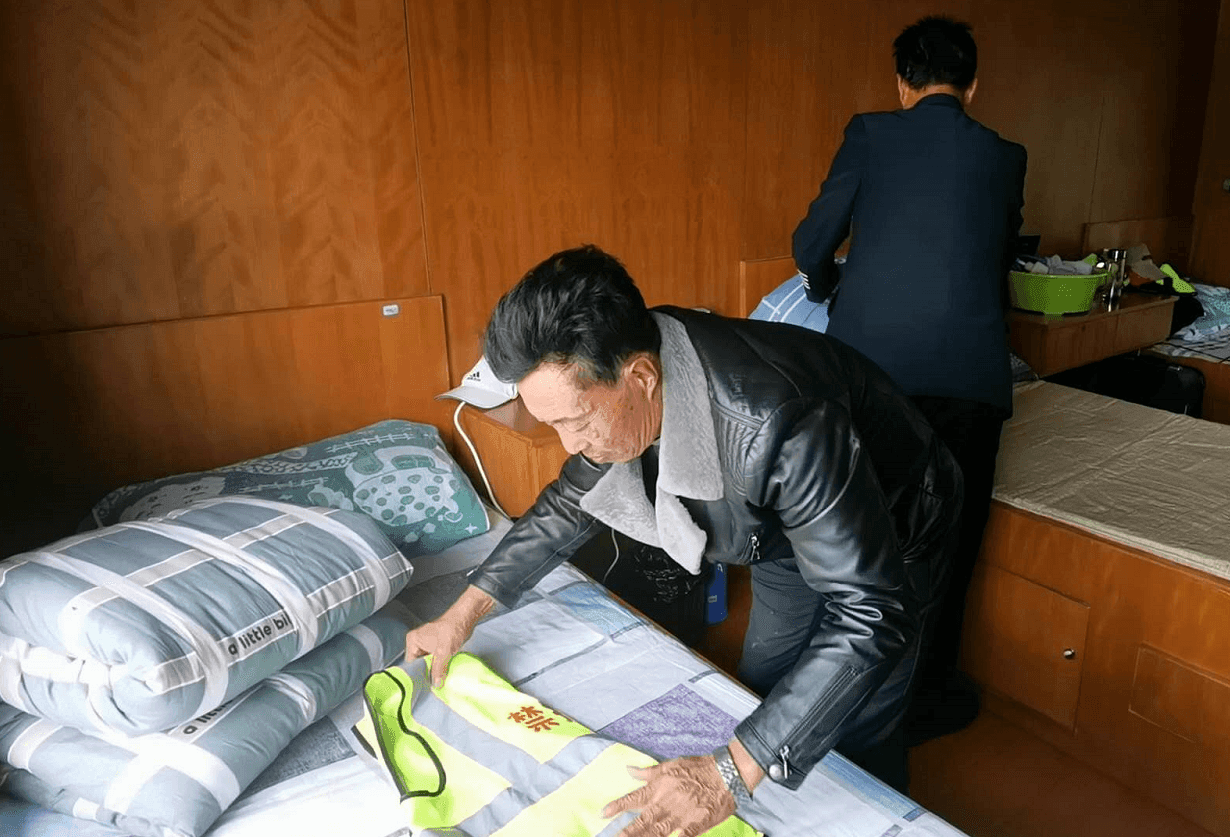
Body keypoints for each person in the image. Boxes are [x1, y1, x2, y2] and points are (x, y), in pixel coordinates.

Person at [405, 245, 962, 837]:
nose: (570, 445)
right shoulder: (627, 366)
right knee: (761, 680)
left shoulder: (780, 423)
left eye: (577, 421)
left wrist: (728, 772)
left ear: (641, 378)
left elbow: (871, 612)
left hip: (897, 522)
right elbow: (569, 503)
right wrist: (462, 616)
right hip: (780, 533)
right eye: (554, 425)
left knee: (859, 716)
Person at [791, 15, 1028, 743]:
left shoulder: (871, 133)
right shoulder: (1006, 156)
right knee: (949, 542)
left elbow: (811, 242)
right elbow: (997, 260)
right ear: (973, 85)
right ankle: (924, 701)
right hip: (970, 378)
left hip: (874, 378)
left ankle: (829, 694)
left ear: (902, 84)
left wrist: (828, 284)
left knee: (857, 532)